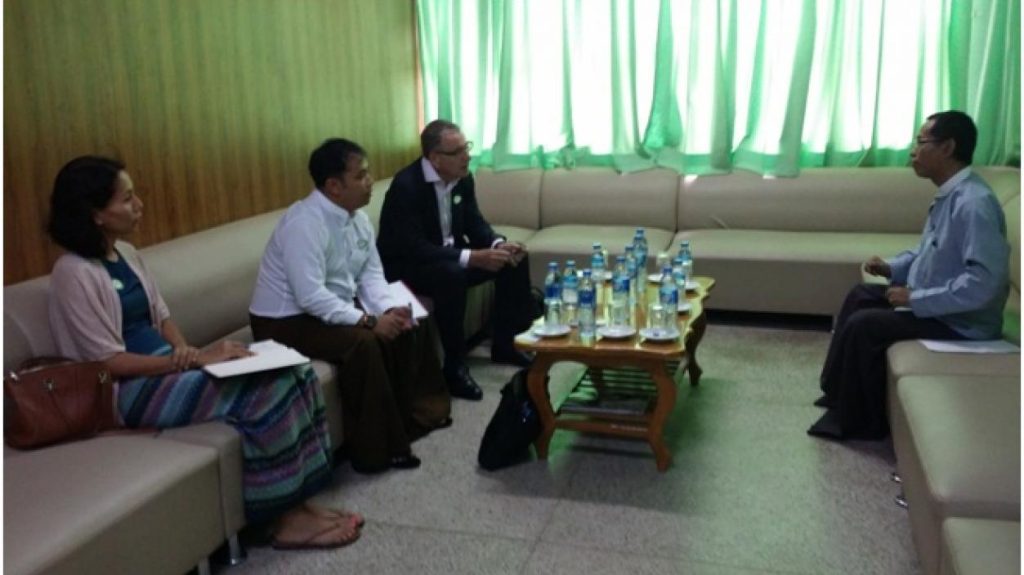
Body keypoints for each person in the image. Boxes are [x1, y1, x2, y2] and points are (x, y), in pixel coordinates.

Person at [47, 156, 361, 550]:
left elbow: (162, 316)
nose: (139, 205)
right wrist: (191, 360)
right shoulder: (73, 273)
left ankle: (301, 500)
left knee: (298, 373)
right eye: (127, 199)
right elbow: (106, 362)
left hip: (169, 368)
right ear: (95, 214)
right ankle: (281, 519)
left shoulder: (125, 252)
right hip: (127, 392)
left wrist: (188, 351)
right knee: (266, 392)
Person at [249, 138, 451, 474]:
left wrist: (389, 309)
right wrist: (368, 321)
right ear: (333, 186)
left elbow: (372, 276)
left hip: (329, 308)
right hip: (284, 322)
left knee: (410, 319)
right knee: (364, 343)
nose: (370, 182)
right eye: (361, 176)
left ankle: (416, 418)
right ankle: (377, 451)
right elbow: (310, 296)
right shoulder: (304, 224)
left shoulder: (357, 219)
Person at [808, 110, 1010, 441]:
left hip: (962, 322)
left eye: (921, 142)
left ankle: (858, 422)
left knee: (865, 325)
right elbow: (929, 250)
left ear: (947, 148)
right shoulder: (952, 193)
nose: (913, 152)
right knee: (860, 295)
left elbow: (984, 284)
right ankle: (838, 393)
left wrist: (915, 299)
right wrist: (892, 268)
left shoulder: (975, 204)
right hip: (940, 304)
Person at [376, 119, 536, 401]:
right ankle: (454, 367)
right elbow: (413, 247)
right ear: (435, 158)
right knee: (452, 275)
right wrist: (472, 257)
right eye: (458, 152)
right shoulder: (407, 187)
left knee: (513, 259)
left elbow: (474, 222)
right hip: (408, 266)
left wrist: (497, 244)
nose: (467, 157)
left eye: (467, 148)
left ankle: (506, 344)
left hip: (447, 257)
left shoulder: (463, 177)